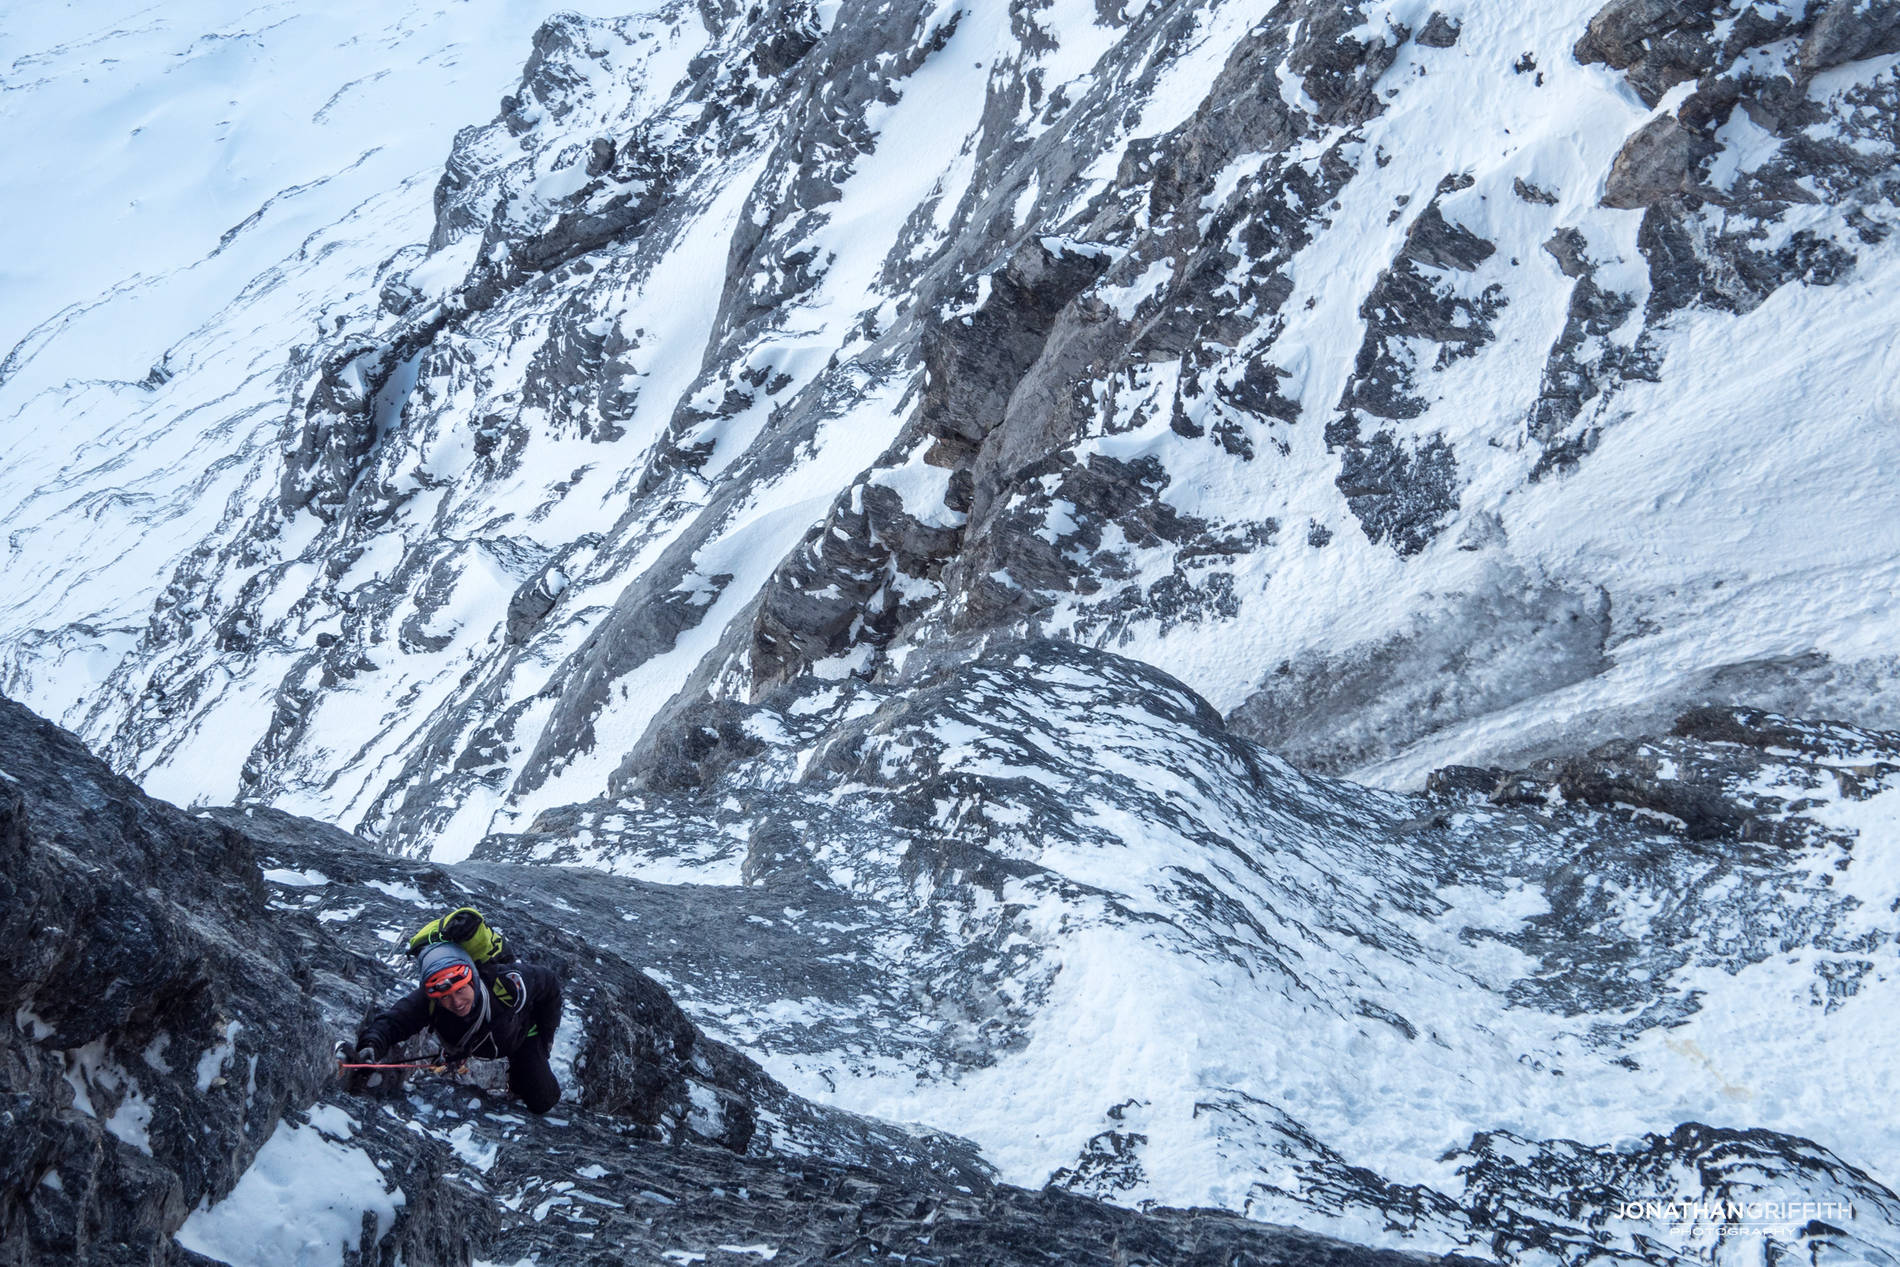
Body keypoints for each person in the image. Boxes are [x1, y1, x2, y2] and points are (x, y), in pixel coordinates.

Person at [346, 942, 564, 1113]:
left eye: (460, 990)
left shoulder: (506, 983)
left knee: (543, 1101)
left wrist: (545, 1037)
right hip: (475, 1044)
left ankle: (518, 1073)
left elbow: (550, 985)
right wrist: (371, 1046)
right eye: (445, 997)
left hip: (523, 1037)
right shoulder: (428, 1001)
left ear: (473, 980)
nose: (456, 1002)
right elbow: (393, 1022)